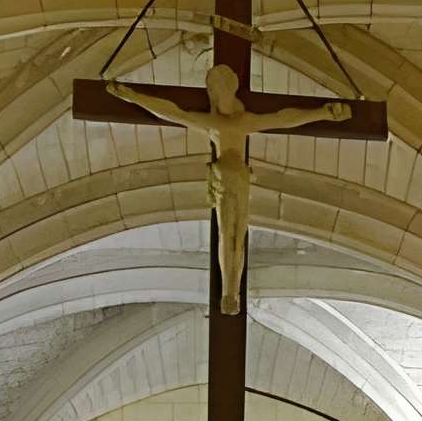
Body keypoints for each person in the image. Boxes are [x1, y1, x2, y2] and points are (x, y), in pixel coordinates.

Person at [107, 65, 351, 313]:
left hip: (240, 180)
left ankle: (233, 291)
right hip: (223, 182)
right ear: (212, 93)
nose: (219, 93)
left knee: (238, 237)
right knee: (227, 235)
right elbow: (172, 112)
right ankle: (229, 291)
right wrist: (132, 96)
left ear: (232, 88)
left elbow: (284, 118)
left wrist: (323, 113)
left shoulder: (244, 121)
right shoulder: (212, 122)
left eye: (223, 87)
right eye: (215, 89)